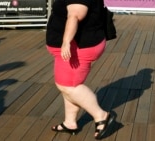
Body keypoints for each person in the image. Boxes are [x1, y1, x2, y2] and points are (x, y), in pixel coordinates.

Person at [45, 0, 115, 139]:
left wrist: (66, 42)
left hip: (78, 47)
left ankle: (100, 115)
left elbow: (75, 15)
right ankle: (70, 122)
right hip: (75, 46)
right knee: (69, 85)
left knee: (68, 86)